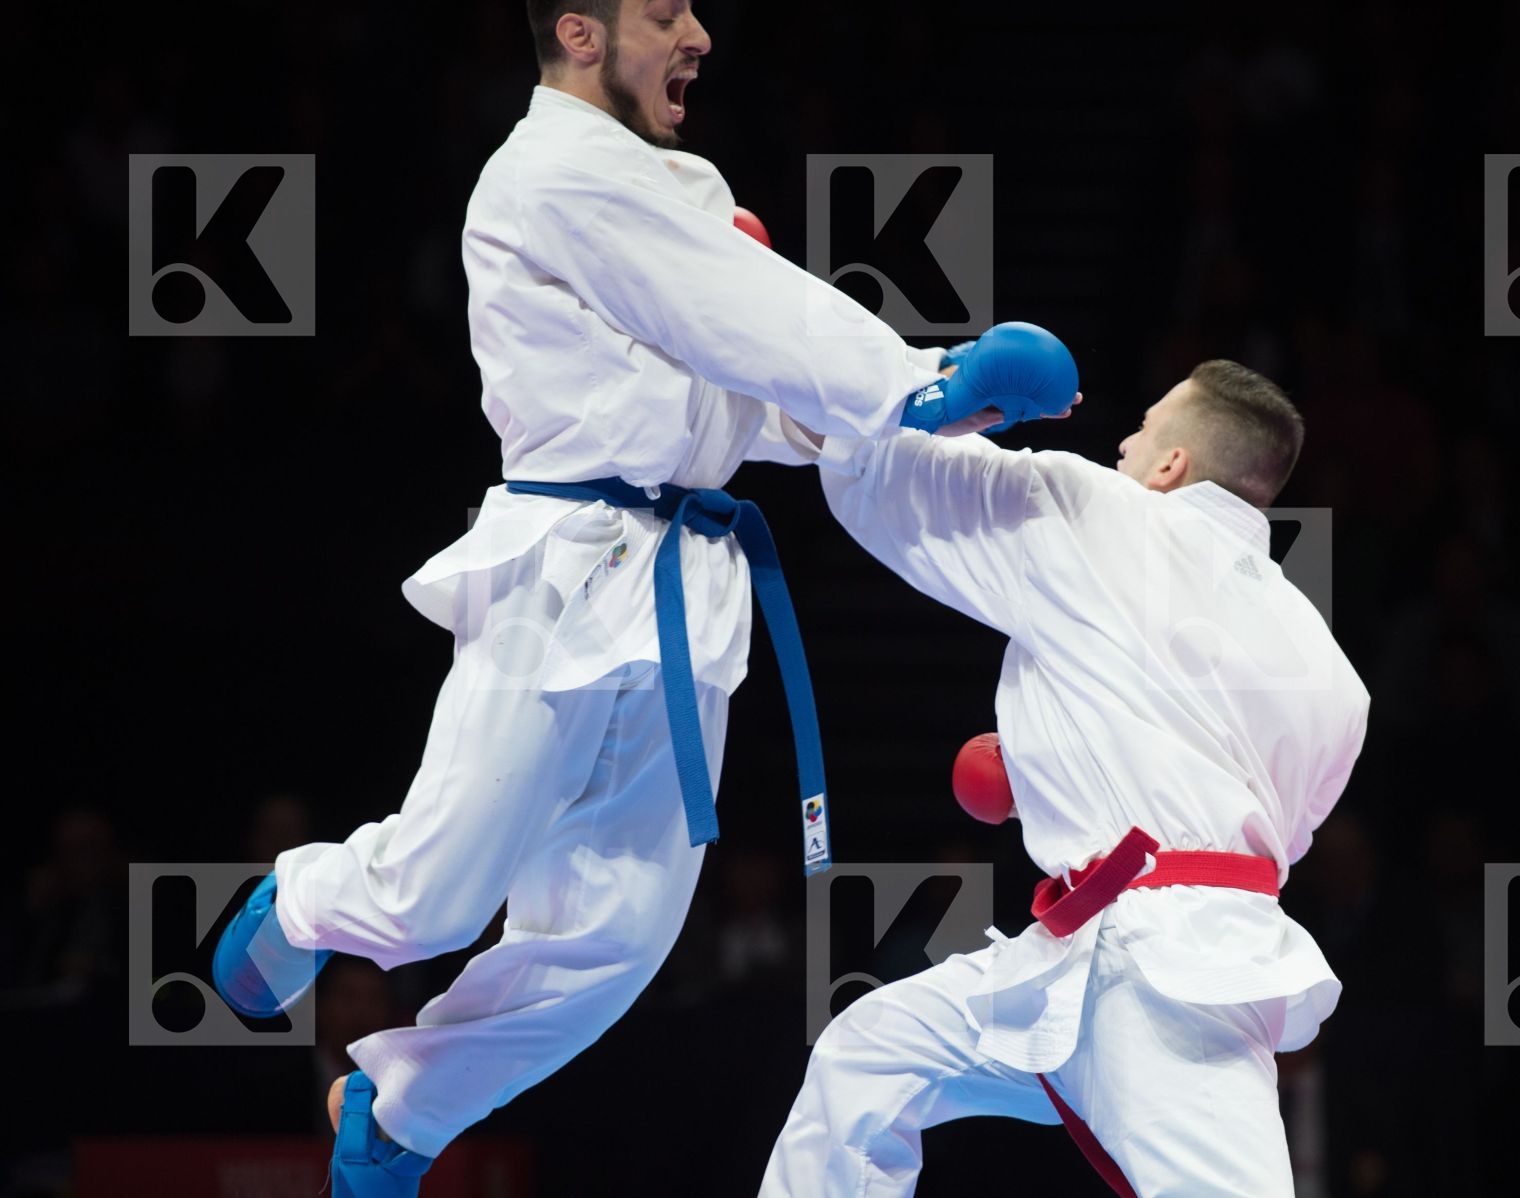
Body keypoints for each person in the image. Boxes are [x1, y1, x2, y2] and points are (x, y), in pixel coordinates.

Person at [206, 2, 1075, 1193]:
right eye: (665, 11)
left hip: (684, 585)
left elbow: (744, 384)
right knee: (433, 897)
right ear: (580, 34)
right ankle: (298, 899)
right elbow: (741, 315)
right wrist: (916, 380)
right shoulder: (547, 171)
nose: (699, 34)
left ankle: (401, 1109)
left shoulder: (688, 191)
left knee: (616, 935)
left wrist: (915, 419)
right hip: (562, 566)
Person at [761, 360, 1371, 1197]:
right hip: (1087, 954)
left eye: (1143, 427)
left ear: (1172, 464)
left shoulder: (1101, 514)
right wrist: (1052, 763)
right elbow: (1269, 832)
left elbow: (891, 478)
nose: (1122, 443)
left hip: (1170, 976)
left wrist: (951, 390)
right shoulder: (1331, 670)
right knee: (868, 1058)